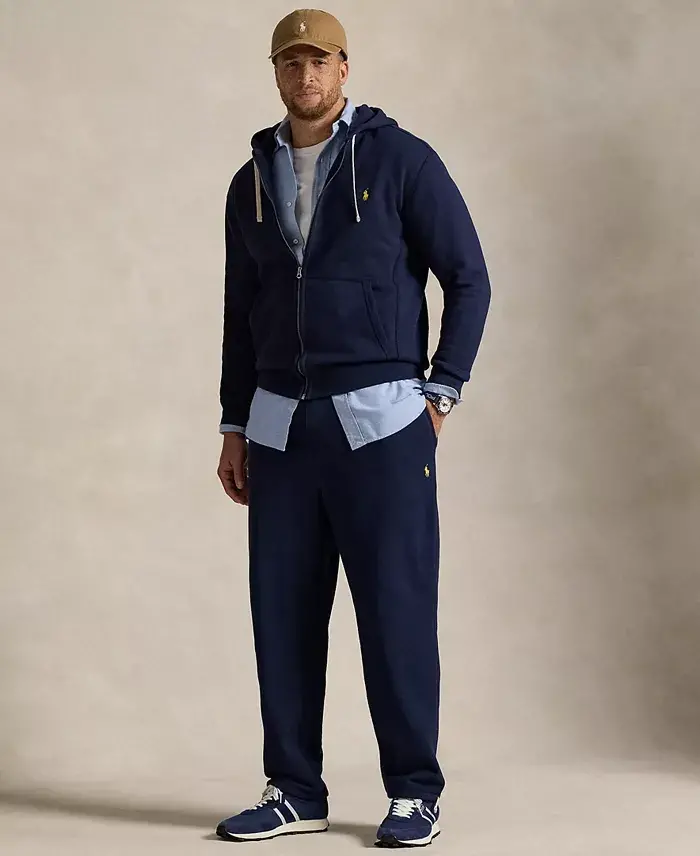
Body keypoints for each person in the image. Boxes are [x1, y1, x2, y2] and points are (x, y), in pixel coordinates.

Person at [215, 8, 490, 848]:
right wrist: (233, 423)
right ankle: (294, 789)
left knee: (395, 610)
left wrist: (440, 393)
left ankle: (414, 791)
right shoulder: (250, 180)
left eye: (320, 60)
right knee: (282, 616)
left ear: (344, 68)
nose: (305, 76)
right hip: (279, 429)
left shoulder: (402, 159)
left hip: (382, 426)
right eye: (290, 62)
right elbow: (240, 311)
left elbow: (468, 278)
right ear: (274, 71)